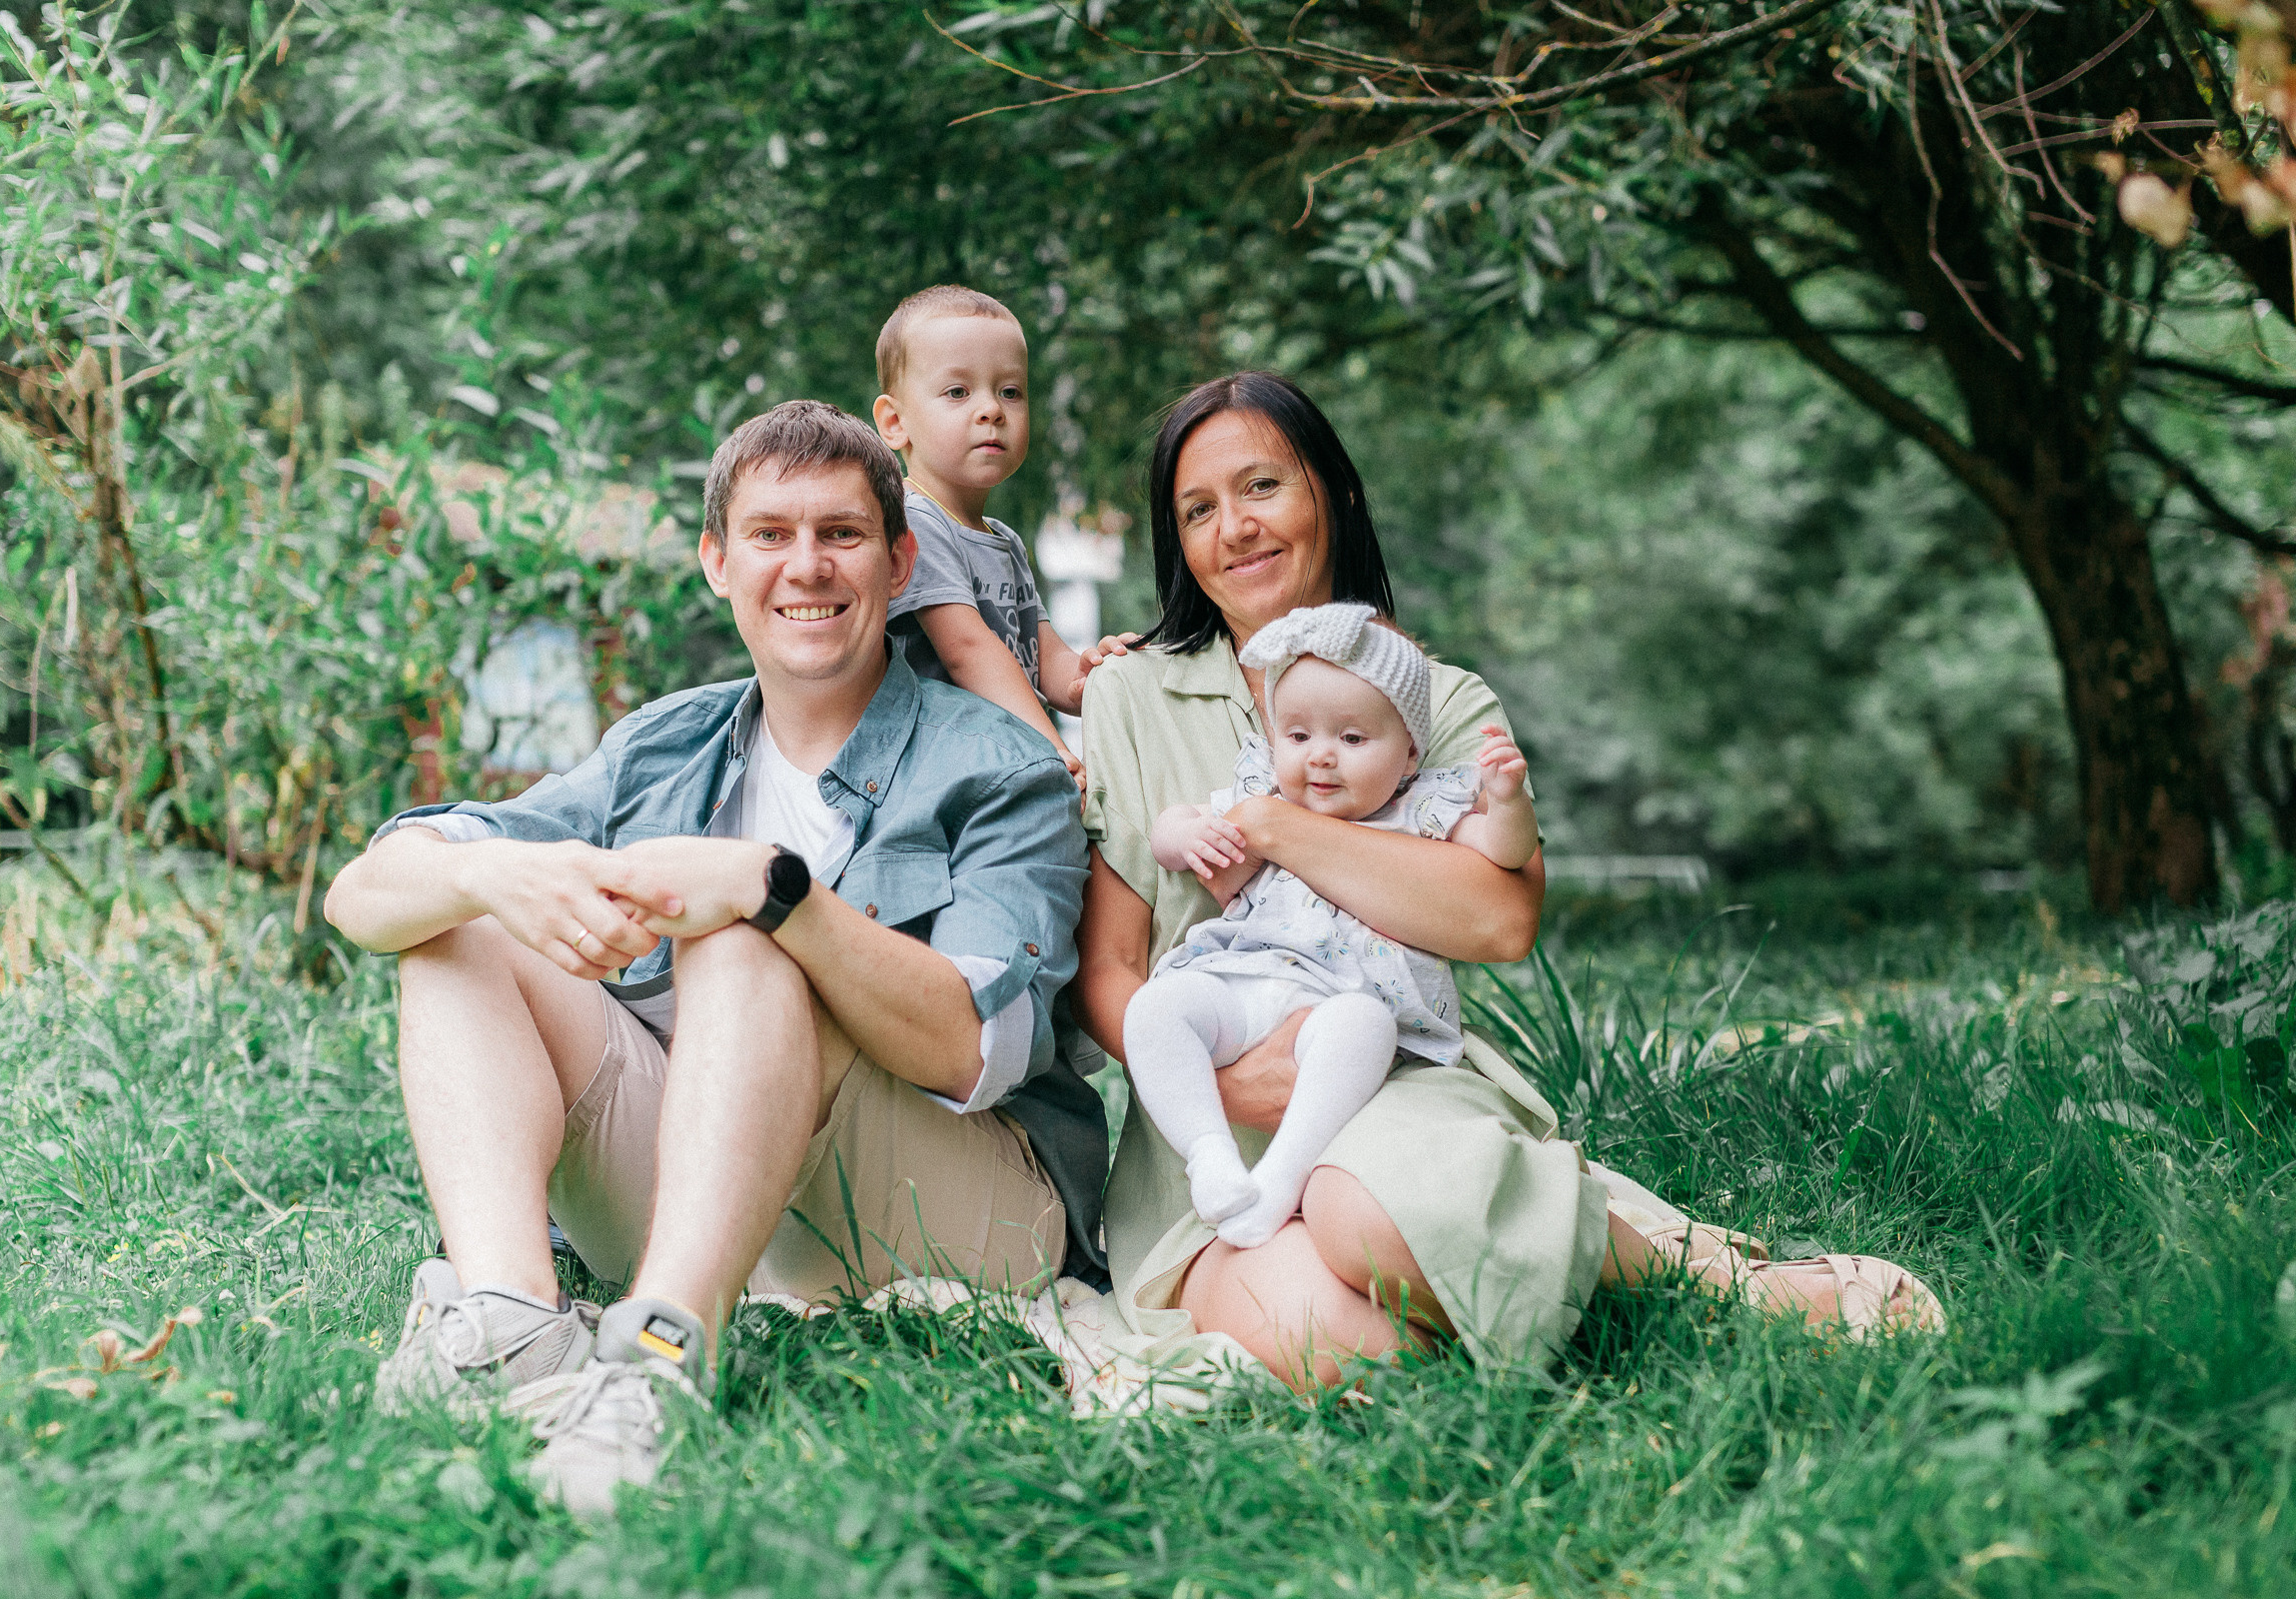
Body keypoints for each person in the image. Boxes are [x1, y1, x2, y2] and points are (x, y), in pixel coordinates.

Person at [1073, 372, 1943, 1390]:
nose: (1235, 527)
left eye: (1263, 485)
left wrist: (1274, 824)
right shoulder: (1131, 693)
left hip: (1396, 1094)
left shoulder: (1441, 700)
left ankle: (1711, 1279)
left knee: (1372, 1209)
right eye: (1198, 509)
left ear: (1334, 496)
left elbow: (1497, 917)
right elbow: (1110, 968)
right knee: (1359, 1356)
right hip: (1205, 1150)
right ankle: (1551, 1249)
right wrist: (1223, 1082)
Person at [323, 400, 1104, 1514]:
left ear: (900, 558)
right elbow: (365, 892)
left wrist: (776, 892)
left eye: (840, 533)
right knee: (460, 923)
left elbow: (978, 1049)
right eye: (771, 534)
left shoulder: (997, 764)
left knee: (743, 947)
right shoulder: (664, 743)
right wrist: (486, 874)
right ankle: (510, 1328)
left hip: (954, 1200)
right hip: (721, 1185)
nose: (807, 566)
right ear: (716, 561)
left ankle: (656, 1365)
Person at [1127, 601, 1538, 1251]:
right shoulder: (1262, 795)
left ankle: (1281, 1179)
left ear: (1408, 754)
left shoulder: (1421, 806)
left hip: (1341, 1004)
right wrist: (1181, 835)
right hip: (1244, 981)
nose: (1320, 757)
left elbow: (1504, 853)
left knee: (1363, 1029)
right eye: (1297, 736)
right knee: (1154, 1009)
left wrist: (1509, 800)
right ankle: (1210, 1157)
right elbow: (1174, 830)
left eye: (1351, 739)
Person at [869, 285, 1132, 779]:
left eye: (1010, 391)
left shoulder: (1003, 540)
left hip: (1003, 757)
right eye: (958, 392)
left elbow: (1043, 654)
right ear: (895, 421)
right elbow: (968, 651)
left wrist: (1092, 681)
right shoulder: (915, 521)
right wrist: (1050, 748)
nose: (992, 409)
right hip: (939, 771)